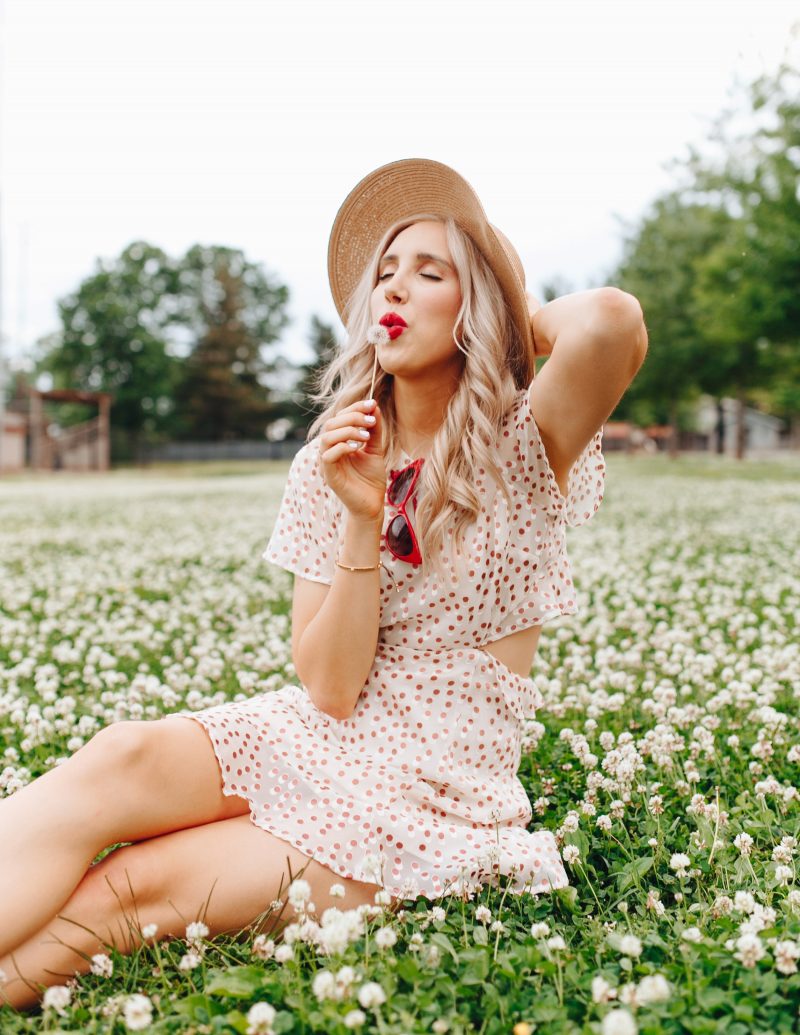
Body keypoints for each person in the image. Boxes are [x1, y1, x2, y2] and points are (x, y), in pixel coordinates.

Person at [0, 158, 647, 1010]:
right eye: (385, 274)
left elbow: (612, 320)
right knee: (120, 753)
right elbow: (331, 689)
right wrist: (359, 511)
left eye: (430, 273)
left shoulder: (522, 444)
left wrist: (500, 311)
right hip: (321, 733)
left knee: (136, 885)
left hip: (430, 789)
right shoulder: (329, 461)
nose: (397, 290)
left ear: (475, 303)